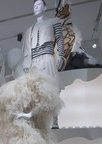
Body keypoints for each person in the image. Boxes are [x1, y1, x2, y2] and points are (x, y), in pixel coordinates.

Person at [21, 0, 65, 128]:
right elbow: (26, 49)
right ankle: (39, 121)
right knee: (35, 92)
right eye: (34, 6)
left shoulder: (53, 22)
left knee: (51, 89)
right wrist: (26, 63)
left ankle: (55, 120)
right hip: (34, 61)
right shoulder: (30, 30)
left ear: (45, 7)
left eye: (39, 5)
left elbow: (60, 38)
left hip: (47, 57)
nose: (36, 7)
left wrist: (61, 55)